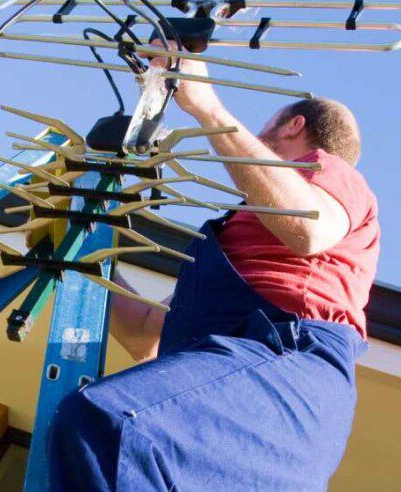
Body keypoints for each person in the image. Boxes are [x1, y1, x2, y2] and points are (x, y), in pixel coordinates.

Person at [47, 52, 381, 491]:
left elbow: (308, 227)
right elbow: (143, 335)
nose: (258, 136)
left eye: (268, 126)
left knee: (110, 425)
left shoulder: (328, 172)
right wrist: (79, 252)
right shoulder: (241, 242)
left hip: (289, 364)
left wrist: (207, 106)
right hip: (243, 383)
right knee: (113, 431)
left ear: (294, 125)